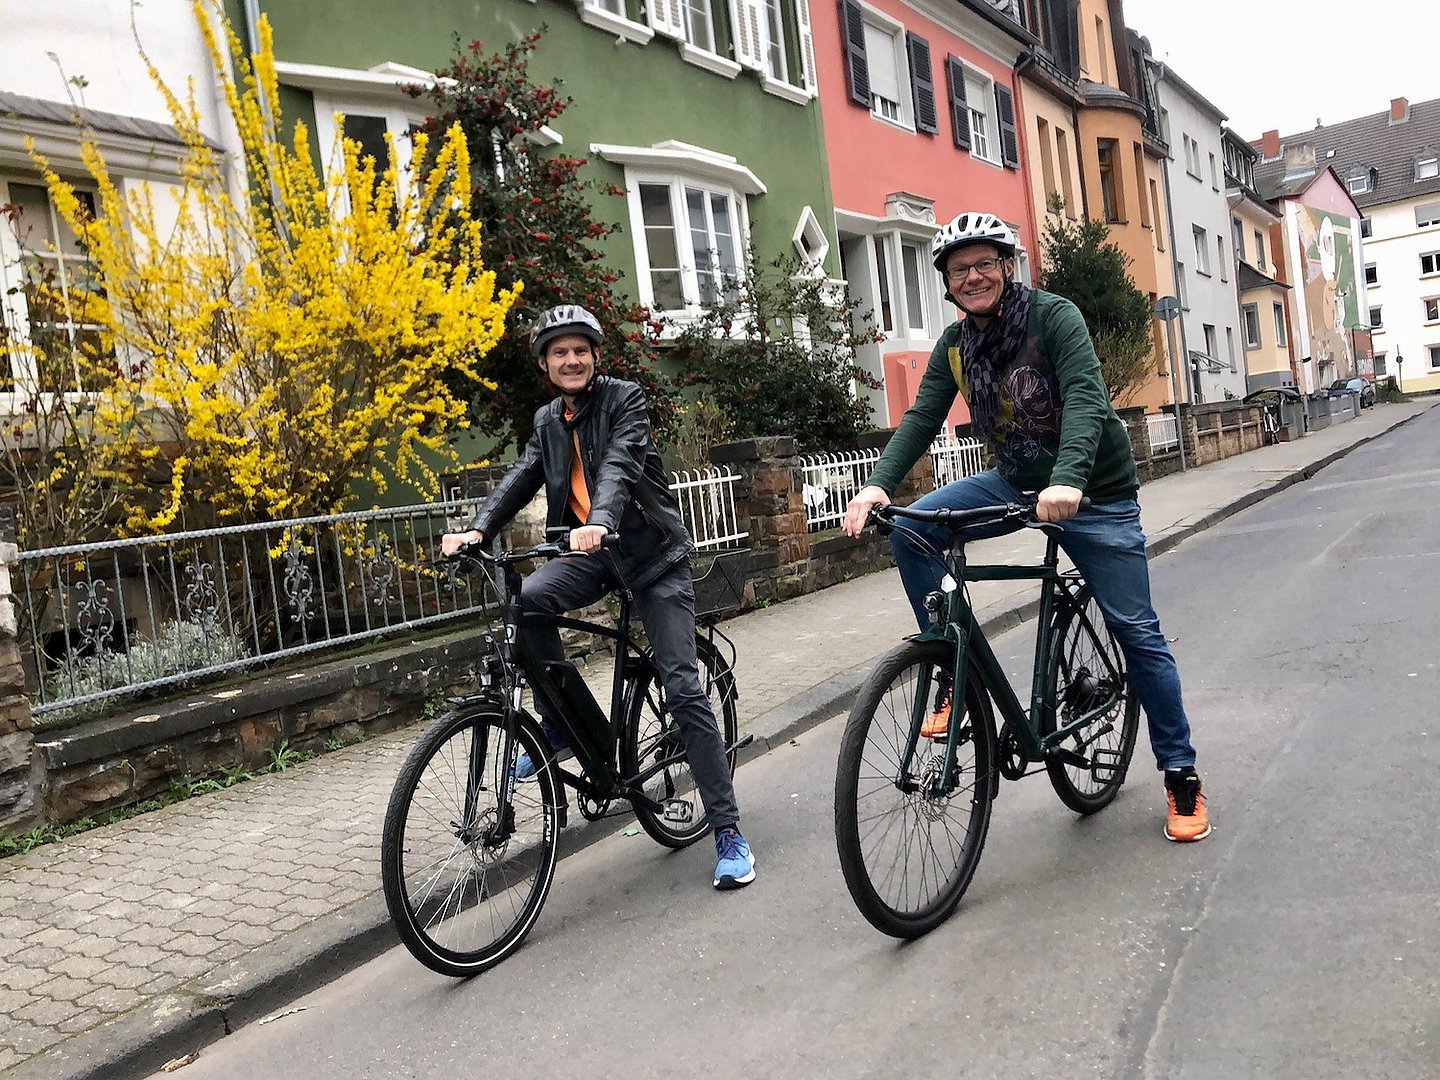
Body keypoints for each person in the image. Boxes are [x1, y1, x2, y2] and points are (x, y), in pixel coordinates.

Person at [841, 212, 1211, 843]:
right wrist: (878, 484)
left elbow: (1086, 397)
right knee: (915, 530)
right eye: (961, 269)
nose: (974, 275)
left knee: (1137, 632)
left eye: (985, 263)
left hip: (1092, 490)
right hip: (1014, 482)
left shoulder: (1053, 317)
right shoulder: (956, 348)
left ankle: (1181, 775)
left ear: (1007, 266)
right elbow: (922, 418)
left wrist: (1069, 479)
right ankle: (946, 671)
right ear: (949, 283)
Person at [441, 304, 757, 888]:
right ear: (545, 365)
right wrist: (478, 528)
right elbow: (521, 476)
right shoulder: (546, 420)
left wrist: (602, 518)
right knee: (528, 601)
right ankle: (562, 727)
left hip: (652, 557)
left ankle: (728, 829)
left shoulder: (624, 399)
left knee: (683, 686)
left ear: (594, 356)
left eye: (579, 349)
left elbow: (619, 463)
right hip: (593, 553)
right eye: (559, 352)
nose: (571, 359)